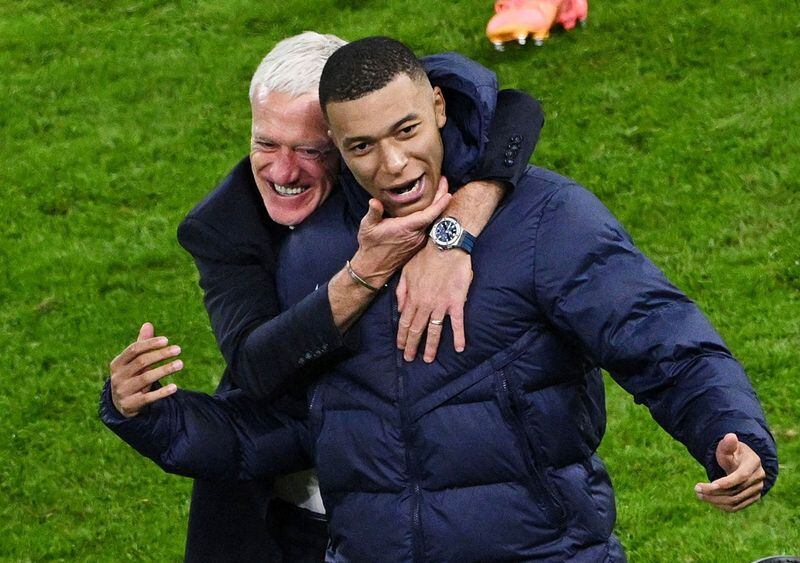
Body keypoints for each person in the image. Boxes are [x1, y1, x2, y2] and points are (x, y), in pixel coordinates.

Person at [103, 36, 778, 560]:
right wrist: (149, 415)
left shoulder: (546, 218)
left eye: (405, 132)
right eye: (362, 146)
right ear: (338, 149)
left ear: (439, 107)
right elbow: (285, 420)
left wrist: (731, 431)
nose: (392, 164)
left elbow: (660, 336)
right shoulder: (312, 254)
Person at [103, 32, 542, 562]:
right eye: (265, 143)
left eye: (310, 151)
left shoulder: (393, 145)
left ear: (348, 138)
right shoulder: (224, 228)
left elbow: (513, 109)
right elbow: (257, 367)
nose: (283, 172)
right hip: (289, 513)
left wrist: (462, 222)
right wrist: (363, 275)